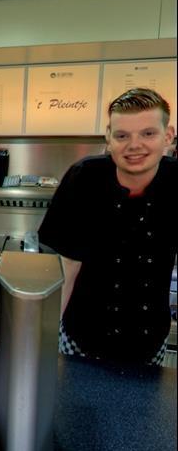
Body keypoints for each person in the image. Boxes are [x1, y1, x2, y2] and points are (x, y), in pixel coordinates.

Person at [38, 87, 177, 365]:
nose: (134, 145)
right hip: (81, 338)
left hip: (149, 343)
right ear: (109, 139)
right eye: (122, 135)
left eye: (148, 133)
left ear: (168, 137)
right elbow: (68, 267)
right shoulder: (83, 178)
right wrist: (45, 344)